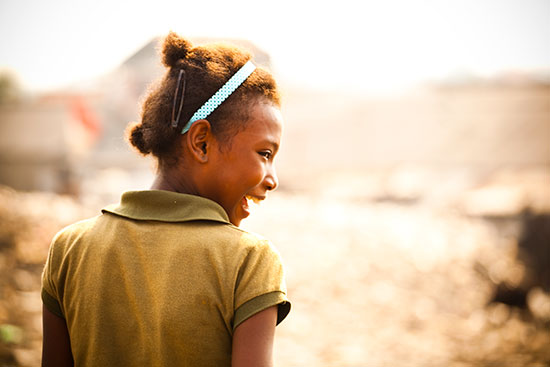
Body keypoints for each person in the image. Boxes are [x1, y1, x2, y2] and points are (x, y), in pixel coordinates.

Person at [41, 31, 291, 367]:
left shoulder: (69, 248)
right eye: (264, 153)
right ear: (201, 142)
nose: (272, 179)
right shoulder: (249, 260)